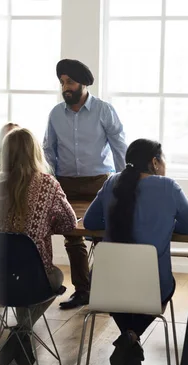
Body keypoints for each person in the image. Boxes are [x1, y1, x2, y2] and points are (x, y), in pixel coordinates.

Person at [83, 139, 188, 365]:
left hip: (107, 285)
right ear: (155, 162)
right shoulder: (168, 187)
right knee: (159, 288)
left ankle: (129, 337)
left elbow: (90, 223)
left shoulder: (111, 183)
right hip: (152, 286)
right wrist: (168, 221)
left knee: (122, 296)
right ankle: (132, 336)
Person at [0, 127, 77, 365]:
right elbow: (69, 222)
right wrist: (46, 223)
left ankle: (22, 339)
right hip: (33, 278)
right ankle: (21, 333)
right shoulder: (48, 184)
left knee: (19, 273)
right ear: (35, 152)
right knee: (56, 276)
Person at [43, 58, 128, 309]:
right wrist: (49, 179)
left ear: (83, 83)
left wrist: (126, 182)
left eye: (69, 82)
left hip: (99, 183)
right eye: (62, 82)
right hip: (66, 183)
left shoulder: (104, 110)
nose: (65, 87)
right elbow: (49, 149)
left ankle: (103, 290)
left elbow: (119, 147)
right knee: (72, 237)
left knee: (101, 235)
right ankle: (83, 290)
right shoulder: (56, 113)